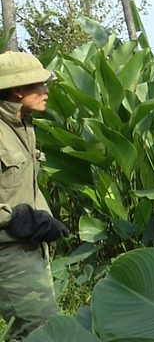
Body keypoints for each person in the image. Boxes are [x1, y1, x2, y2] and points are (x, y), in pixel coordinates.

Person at [0, 51, 70, 339]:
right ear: (18, 90)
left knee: (34, 333)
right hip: (6, 251)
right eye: (40, 85)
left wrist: (43, 219)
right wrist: (17, 217)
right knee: (43, 332)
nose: (46, 92)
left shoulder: (21, 125)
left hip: (28, 248)